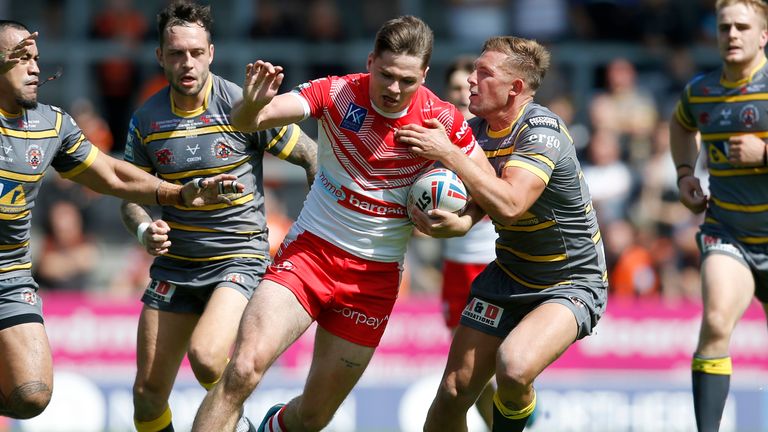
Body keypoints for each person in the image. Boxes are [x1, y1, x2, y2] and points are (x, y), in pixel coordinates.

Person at [191, 15, 491, 432]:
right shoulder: (337, 92)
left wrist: (461, 221)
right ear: (370, 61)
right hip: (310, 254)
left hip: (373, 280)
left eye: (407, 80)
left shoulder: (443, 122)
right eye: (385, 75)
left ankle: (271, 426)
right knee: (242, 369)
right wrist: (253, 104)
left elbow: (491, 189)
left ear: (423, 75)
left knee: (312, 417)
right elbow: (249, 122)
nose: (393, 89)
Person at [0, 19, 240, 420]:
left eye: (37, 59)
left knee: (32, 395)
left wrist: (175, 193)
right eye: (21, 58)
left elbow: (112, 174)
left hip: (9, 274)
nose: (35, 69)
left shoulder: (51, 125)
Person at [119, 3, 318, 432]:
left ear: (211, 52)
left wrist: (313, 229)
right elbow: (129, 195)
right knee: (146, 398)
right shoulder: (146, 120)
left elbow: (311, 156)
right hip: (177, 263)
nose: (186, 62)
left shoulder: (243, 107)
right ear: (159, 57)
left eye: (195, 52)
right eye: (175, 54)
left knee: (207, 357)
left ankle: (237, 422)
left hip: (238, 257)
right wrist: (142, 229)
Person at [396, 36, 607, 431]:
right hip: (508, 274)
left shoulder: (542, 131)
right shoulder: (476, 132)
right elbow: (480, 206)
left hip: (569, 282)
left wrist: (449, 154)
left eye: (483, 73)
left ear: (515, 88)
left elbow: (510, 203)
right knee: (453, 394)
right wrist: (453, 224)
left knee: (513, 367)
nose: (471, 81)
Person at [670, 1, 768, 431]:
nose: (732, 34)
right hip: (728, 232)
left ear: (763, 35)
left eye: (743, 26)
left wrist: (764, 152)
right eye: (725, 26)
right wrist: (685, 173)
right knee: (714, 322)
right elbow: (680, 125)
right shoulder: (700, 91)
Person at [439, 55, 497, 428]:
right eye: (456, 88)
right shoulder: (434, 135)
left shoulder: (490, 137)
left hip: (490, 263)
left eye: (468, 87)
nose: (463, 94)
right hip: (455, 267)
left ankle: (518, 414)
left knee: (487, 374)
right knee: (465, 381)